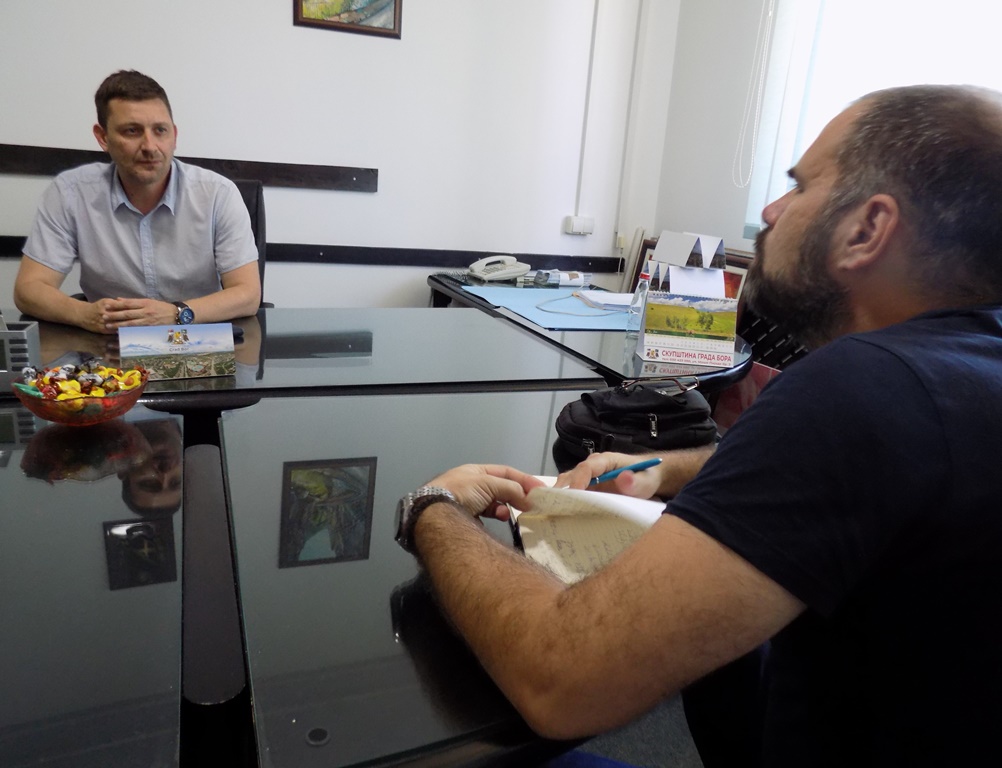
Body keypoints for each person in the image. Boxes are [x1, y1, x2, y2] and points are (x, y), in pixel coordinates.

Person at [394, 84, 1002, 767]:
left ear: (867, 230)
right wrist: (670, 470)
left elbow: (558, 679)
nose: (769, 211)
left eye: (799, 187)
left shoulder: (864, 387)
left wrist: (434, 508)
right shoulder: (959, 378)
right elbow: (866, 478)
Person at [13, 70, 261, 335]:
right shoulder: (70, 193)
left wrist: (176, 313)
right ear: (103, 137)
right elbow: (29, 289)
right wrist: (84, 314)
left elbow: (247, 294)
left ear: (174, 136)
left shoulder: (218, 194)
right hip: (109, 343)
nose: (150, 146)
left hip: (196, 339)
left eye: (160, 131)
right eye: (132, 131)